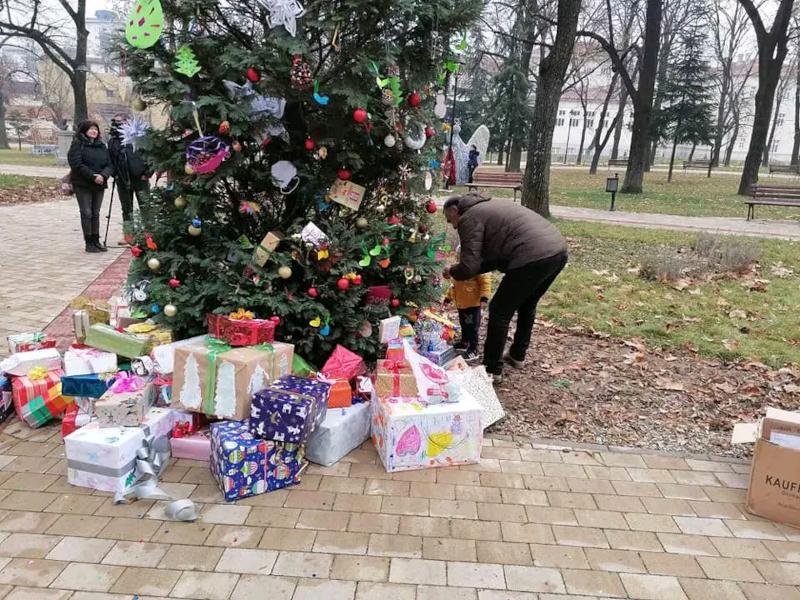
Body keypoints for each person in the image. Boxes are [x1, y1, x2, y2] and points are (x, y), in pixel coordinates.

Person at [443, 192, 568, 384]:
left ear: (454, 210)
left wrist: (451, 270)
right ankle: (518, 355)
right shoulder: (489, 205)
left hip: (531, 255)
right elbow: (488, 261)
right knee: (527, 304)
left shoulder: (469, 217)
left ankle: (491, 370)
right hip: (557, 250)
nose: (453, 225)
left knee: (500, 310)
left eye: (450, 220)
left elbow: (468, 267)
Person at [68, 120, 114, 253]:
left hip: (100, 183)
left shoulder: (101, 146)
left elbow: (110, 164)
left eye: (96, 129)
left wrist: (103, 176)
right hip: (83, 184)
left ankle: (96, 240)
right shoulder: (77, 144)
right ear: (84, 131)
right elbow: (76, 163)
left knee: (96, 213)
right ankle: (88, 242)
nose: (94, 131)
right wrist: (93, 177)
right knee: (86, 212)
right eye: (91, 129)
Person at [108, 113, 151, 245]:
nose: (120, 124)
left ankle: (149, 234)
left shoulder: (139, 137)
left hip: (141, 178)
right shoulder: (113, 141)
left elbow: (150, 156)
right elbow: (110, 160)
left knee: (145, 207)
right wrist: (114, 174)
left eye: (123, 121)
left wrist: (148, 172)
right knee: (126, 208)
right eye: (117, 122)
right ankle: (128, 235)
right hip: (122, 179)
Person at [445, 244, 492, 363]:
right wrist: (448, 298)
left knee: (472, 327)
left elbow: (485, 283)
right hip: (462, 304)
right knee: (464, 324)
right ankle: (464, 342)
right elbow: (453, 286)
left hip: (473, 304)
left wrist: (484, 298)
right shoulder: (458, 269)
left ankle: (473, 348)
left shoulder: (478, 268)